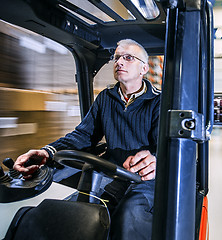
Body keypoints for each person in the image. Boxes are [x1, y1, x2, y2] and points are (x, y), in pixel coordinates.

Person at [13, 39, 161, 240]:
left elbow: (165, 146)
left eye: (128, 58)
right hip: (112, 171)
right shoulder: (106, 98)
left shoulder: (158, 101)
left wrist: (155, 159)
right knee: (75, 209)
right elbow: (83, 135)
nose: (119, 62)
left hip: (146, 178)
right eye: (117, 58)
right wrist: (47, 151)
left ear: (144, 68)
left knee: (129, 215)